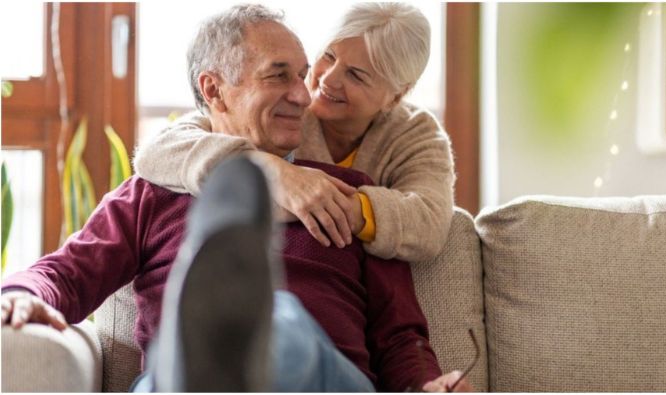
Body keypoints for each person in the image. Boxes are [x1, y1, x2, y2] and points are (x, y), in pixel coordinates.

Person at [0, 4, 472, 392]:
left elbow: (399, 335)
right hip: (171, 381)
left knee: (278, 321)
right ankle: (205, 351)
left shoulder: (349, 195)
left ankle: (224, 336)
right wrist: (18, 296)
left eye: (301, 75)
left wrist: (425, 386)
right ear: (213, 90)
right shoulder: (155, 189)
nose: (306, 95)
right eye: (279, 76)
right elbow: (65, 272)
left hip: (322, 376)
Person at [133, 3, 455, 263]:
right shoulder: (286, 106)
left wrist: (333, 205)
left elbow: (429, 222)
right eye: (328, 57)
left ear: (396, 97)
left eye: (356, 75)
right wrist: (271, 171)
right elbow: (161, 151)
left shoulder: (415, 134)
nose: (327, 80)